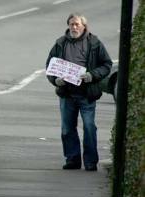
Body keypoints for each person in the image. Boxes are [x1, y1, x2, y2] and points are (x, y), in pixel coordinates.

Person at [45, 13, 112, 171]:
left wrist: (92, 75)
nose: (74, 27)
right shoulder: (60, 43)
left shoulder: (94, 43)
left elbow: (106, 64)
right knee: (67, 128)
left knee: (89, 127)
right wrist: (55, 80)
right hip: (67, 93)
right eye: (71, 24)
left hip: (86, 93)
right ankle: (72, 159)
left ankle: (90, 162)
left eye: (77, 24)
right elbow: (50, 66)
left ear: (84, 26)